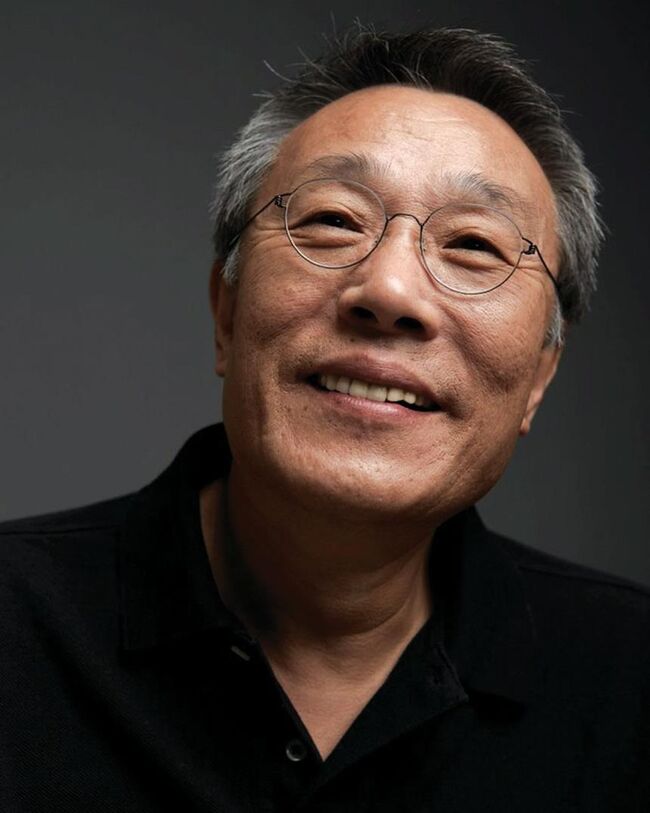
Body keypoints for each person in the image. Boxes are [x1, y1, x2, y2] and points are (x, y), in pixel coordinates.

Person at [1, 24, 648, 813]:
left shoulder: (628, 681)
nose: (391, 291)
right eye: (335, 220)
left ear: (540, 377)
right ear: (227, 312)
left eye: (475, 244)